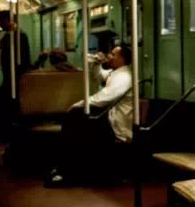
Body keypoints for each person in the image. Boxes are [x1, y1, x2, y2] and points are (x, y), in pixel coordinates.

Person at [46, 44, 133, 186]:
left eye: (113, 54)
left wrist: (79, 104)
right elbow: (99, 76)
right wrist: (96, 63)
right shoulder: (116, 73)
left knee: (75, 118)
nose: (109, 56)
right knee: (75, 120)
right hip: (109, 118)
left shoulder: (123, 77)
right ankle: (65, 168)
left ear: (122, 59)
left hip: (117, 125)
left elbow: (106, 97)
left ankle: (66, 171)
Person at [0, 10, 31, 99]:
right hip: (10, 74)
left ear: (8, 21)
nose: (0, 24)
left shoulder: (18, 36)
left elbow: (24, 58)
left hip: (15, 75)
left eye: (1, 21)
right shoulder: (9, 36)